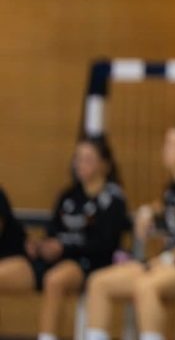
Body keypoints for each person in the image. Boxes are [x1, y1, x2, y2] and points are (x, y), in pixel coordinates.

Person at [84, 126, 175, 340]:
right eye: (166, 143)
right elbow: (167, 206)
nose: (166, 149)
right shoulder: (172, 189)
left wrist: (171, 257)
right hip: (165, 263)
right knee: (98, 282)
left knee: (146, 286)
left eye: (174, 144)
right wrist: (148, 210)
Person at [0, 138, 128, 340]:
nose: (80, 164)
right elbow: (53, 231)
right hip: (52, 260)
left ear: (105, 164)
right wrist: (41, 245)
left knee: (55, 280)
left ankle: (47, 336)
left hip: (88, 262)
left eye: (88, 159)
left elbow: (105, 243)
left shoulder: (112, 199)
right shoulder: (68, 196)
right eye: (78, 158)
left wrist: (65, 247)